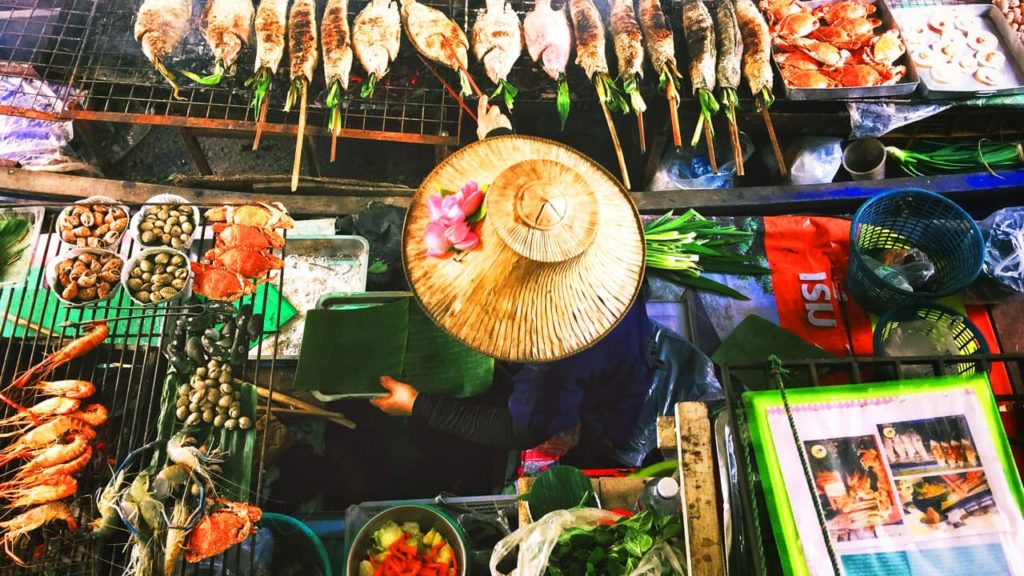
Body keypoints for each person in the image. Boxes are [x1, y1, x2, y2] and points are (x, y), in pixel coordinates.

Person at [370, 97, 656, 469]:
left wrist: (419, 405)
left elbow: (517, 430)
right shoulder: (584, 220)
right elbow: (538, 207)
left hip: (609, 401)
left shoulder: (550, 353)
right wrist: (500, 138)